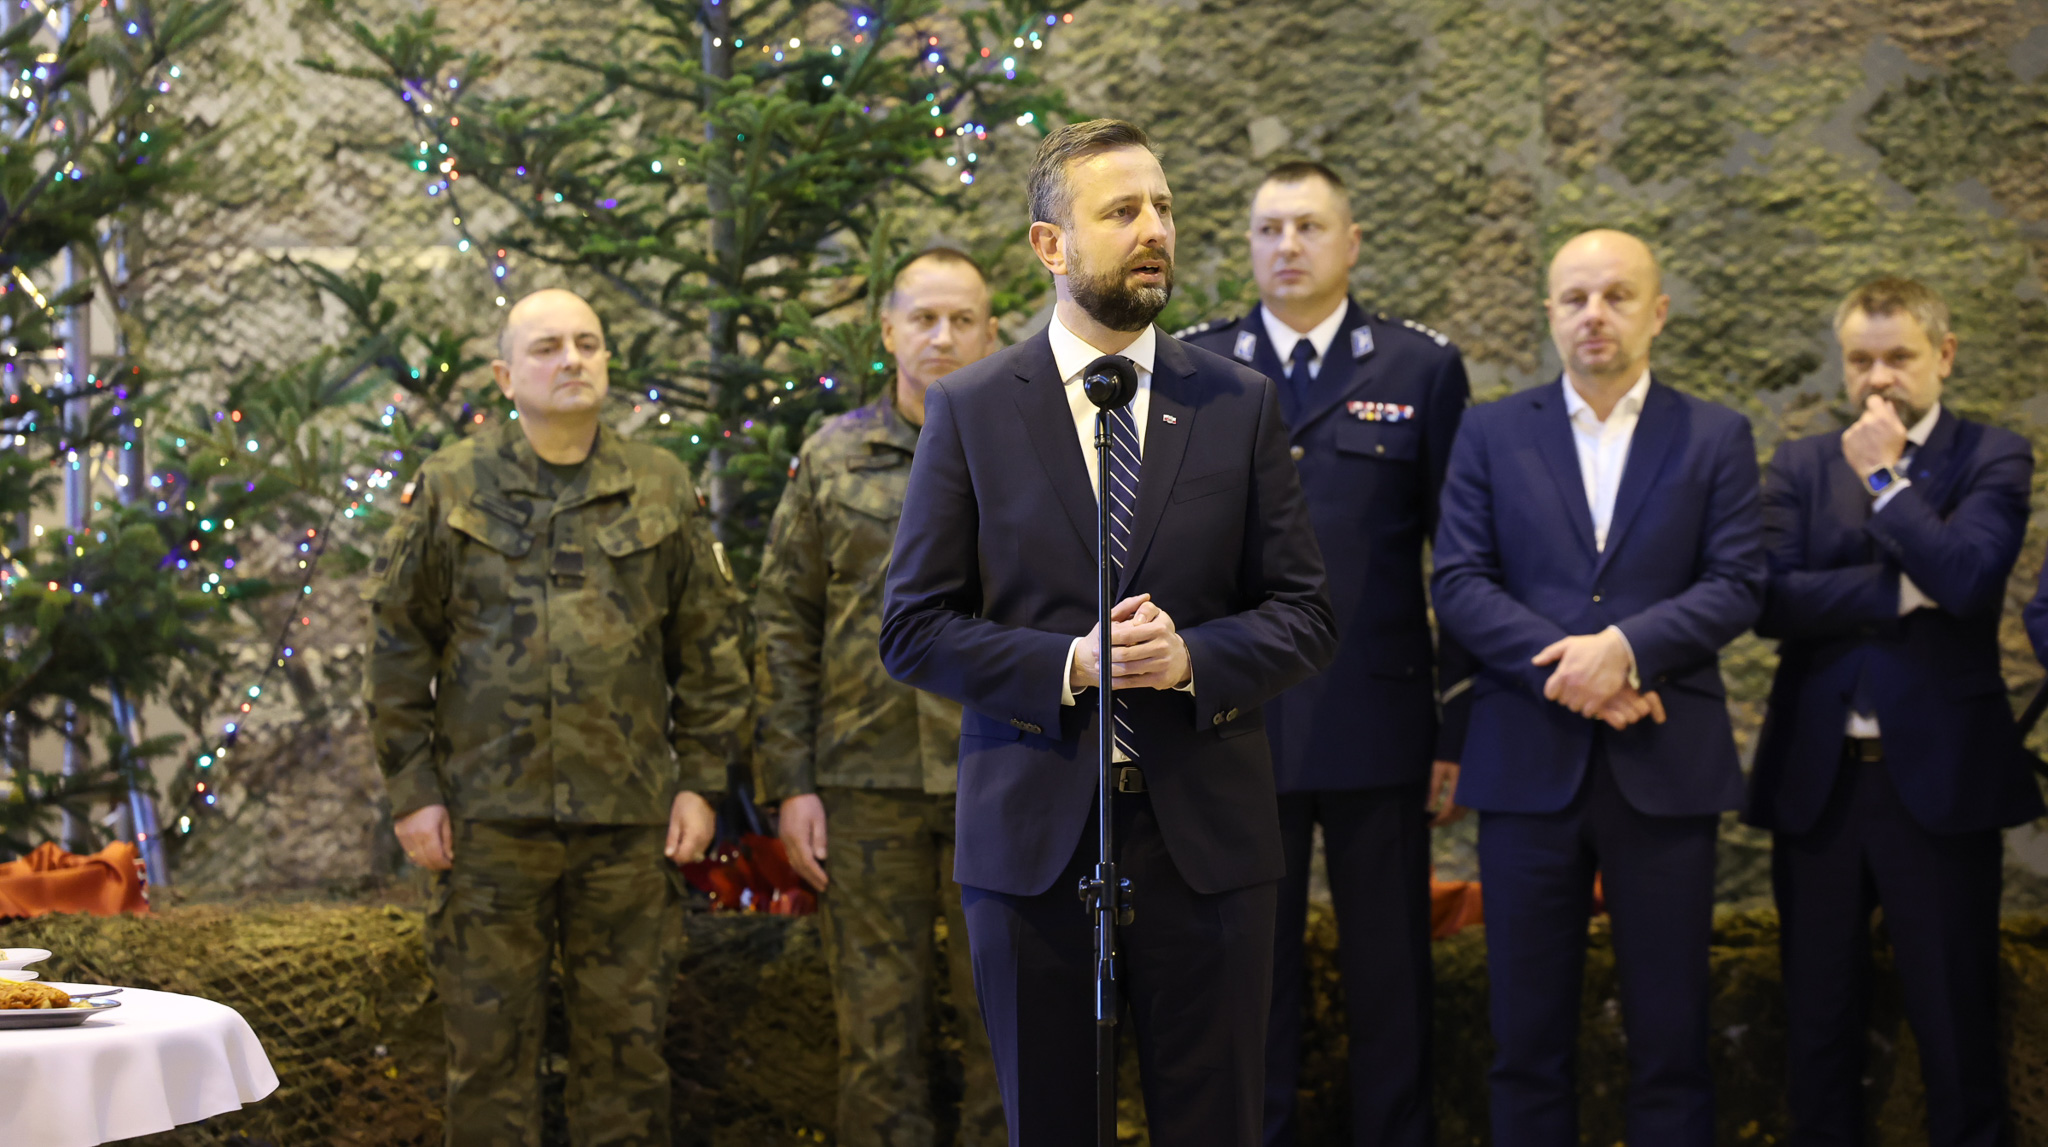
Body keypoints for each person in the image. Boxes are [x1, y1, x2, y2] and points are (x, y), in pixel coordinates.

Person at [878, 119, 1338, 1146]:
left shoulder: (1237, 403)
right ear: (1050, 245)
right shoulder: (972, 409)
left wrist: (1192, 659)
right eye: (1122, 211)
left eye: (1162, 208)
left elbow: (1306, 615)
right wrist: (1069, 664)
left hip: (1205, 848)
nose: (1153, 230)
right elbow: (912, 628)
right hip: (1034, 846)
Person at [362, 287, 751, 1147]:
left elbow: (711, 646)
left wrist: (701, 783)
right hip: (487, 825)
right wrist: (412, 789)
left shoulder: (659, 483)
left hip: (630, 826)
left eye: (588, 343)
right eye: (547, 347)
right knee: (488, 1063)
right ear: (505, 376)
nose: (572, 359)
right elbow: (398, 644)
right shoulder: (452, 484)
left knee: (628, 1061)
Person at [1430, 230, 1764, 1147]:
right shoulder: (1491, 432)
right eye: (1575, 297)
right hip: (1526, 766)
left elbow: (1739, 582)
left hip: (1665, 762)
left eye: (1617, 296)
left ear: (1658, 312)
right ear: (1550, 313)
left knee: (1672, 1036)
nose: (1595, 314)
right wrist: (1576, 670)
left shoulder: (1716, 434)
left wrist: (1624, 648)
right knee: (1525, 1037)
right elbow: (1459, 582)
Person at [1177, 160, 1473, 1147]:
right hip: (1235, 721)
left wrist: (1457, 720)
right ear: (1247, 245)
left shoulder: (1419, 369)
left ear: (1351, 242)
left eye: (1308, 226)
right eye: (1268, 229)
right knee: (1245, 970)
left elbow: (1458, 558)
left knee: (1389, 969)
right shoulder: (1192, 367)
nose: (1287, 246)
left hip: (1375, 718)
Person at [1751, 276, 2042, 1147]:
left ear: (1943, 356)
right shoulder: (1800, 464)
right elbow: (1769, 600)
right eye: (1860, 359)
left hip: (1942, 788)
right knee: (1818, 1026)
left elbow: (1969, 580)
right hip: (1820, 786)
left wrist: (1883, 478)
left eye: (1899, 357)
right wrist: (1900, 590)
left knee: (1955, 1025)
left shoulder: (1994, 455)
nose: (1878, 378)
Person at [754, 247, 1007, 1147]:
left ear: (991, 333)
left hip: (1002, 774)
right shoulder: (832, 457)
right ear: (889, 331)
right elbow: (784, 622)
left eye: (962, 320)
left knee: (1008, 1028)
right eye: (923, 319)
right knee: (876, 1034)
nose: (942, 337)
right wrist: (791, 782)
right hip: (865, 788)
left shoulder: (1030, 450)